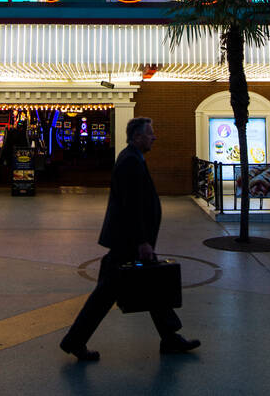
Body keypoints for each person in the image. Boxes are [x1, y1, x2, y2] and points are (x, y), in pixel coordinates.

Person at [60, 117, 200, 361]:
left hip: (130, 240)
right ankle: (75, 340)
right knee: (109, 295)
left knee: (152, 287)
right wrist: (142, 241)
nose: (154, 137)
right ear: (137, 137)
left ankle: (169, 338)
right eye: (150, 133)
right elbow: (131, 206)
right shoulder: (130, 162)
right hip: (129, 242)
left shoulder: (133, 158)